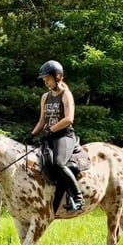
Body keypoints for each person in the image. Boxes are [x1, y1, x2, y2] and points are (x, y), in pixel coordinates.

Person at [29, 60, 84, 212]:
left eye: (48, 79)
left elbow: (69, 119)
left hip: (64, 136)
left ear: (58, 77)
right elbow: (42, 121)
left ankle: (78, 198)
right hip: (49, 136)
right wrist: (32, 134)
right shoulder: (45, 97)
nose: (46, 83)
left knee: (59, 164)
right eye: (44, 80)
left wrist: (51, 129)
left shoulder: (66, 94)